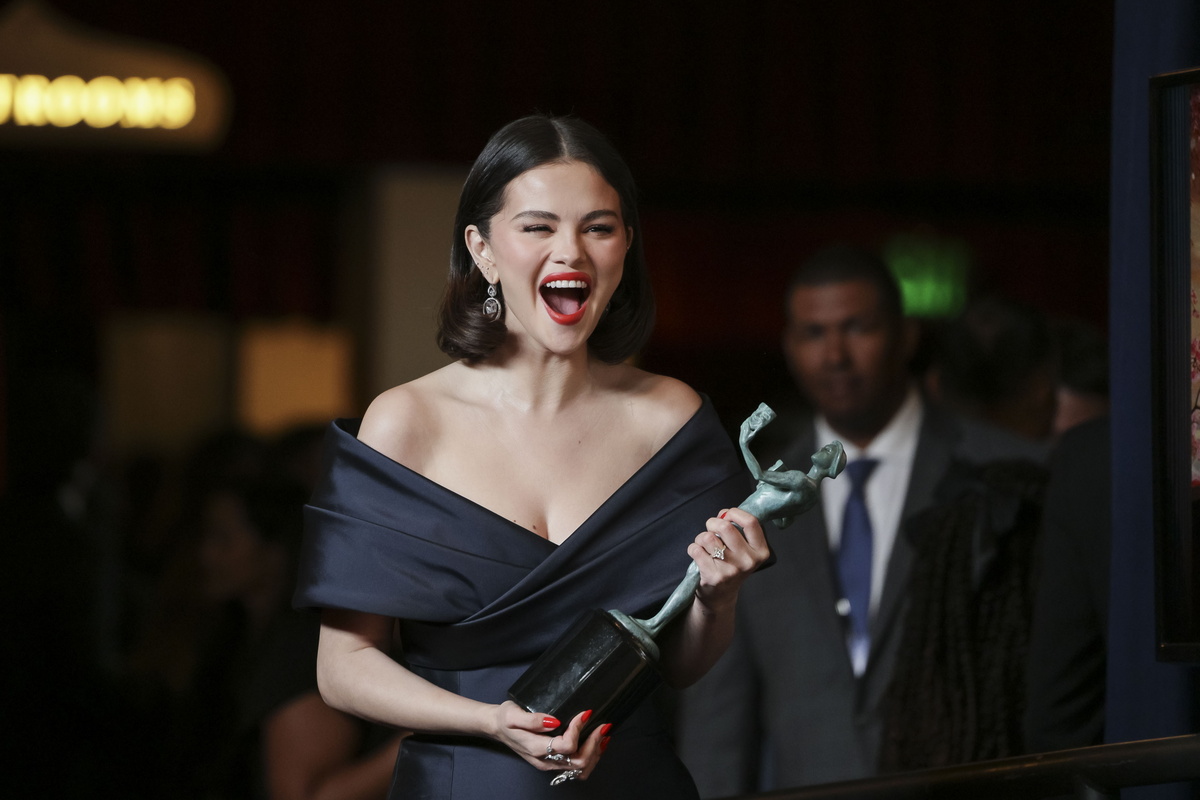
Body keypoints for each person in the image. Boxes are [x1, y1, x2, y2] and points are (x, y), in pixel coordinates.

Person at [292, 114, 772, 799]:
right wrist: (491, 722)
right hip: (466, 784)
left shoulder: (673, 419)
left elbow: (680, 666)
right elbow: (342, 668)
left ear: (626, 246)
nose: (570, 252)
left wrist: (717, 601)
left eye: (598, 228)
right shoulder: (408, 422)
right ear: (483, 250)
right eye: (538, 228)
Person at [675, 244, 1046, 795]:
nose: (835, 355)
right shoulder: (747, 499)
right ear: (789, 346)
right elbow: (718, 724)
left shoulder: (1005, 470)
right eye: (813, 333)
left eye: (857, 328)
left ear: (906, 336)